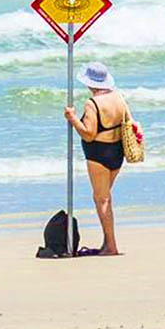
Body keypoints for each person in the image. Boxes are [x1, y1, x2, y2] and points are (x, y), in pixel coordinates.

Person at [64, 62, 136, 256]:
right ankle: (108, 243)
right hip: (117, 152)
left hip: (98, 154)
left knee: (101, 199)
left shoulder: (92, 103)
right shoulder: (119, 98)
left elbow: (88, 133)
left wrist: (72, 119)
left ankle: (111, 246)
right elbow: (129, 122)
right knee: (105, 197)